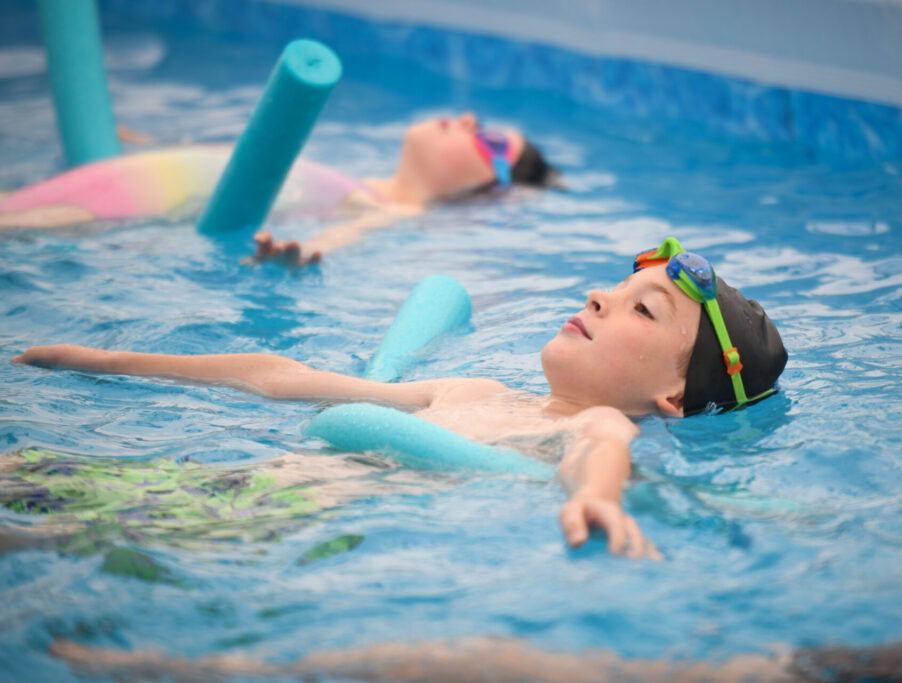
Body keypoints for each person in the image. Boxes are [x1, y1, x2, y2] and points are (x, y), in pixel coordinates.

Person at [12, 238, 787, 557]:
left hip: (251, 524)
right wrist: (108, 358)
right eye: (618, 284)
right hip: (204, 483)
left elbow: (602, 453)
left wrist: (603, 502)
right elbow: (282, 376)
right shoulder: (473, 387)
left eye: (641, 308)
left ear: (674, 397)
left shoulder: (593, 419)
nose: (599, 295)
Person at [0, 112, 561, 265]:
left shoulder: (387, 208)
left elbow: (348, 234)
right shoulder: (354, 177)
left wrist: (303, 256)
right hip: (130, 192)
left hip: (122, 216)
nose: (467, 119)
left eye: (487, 138)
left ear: (490, 188)